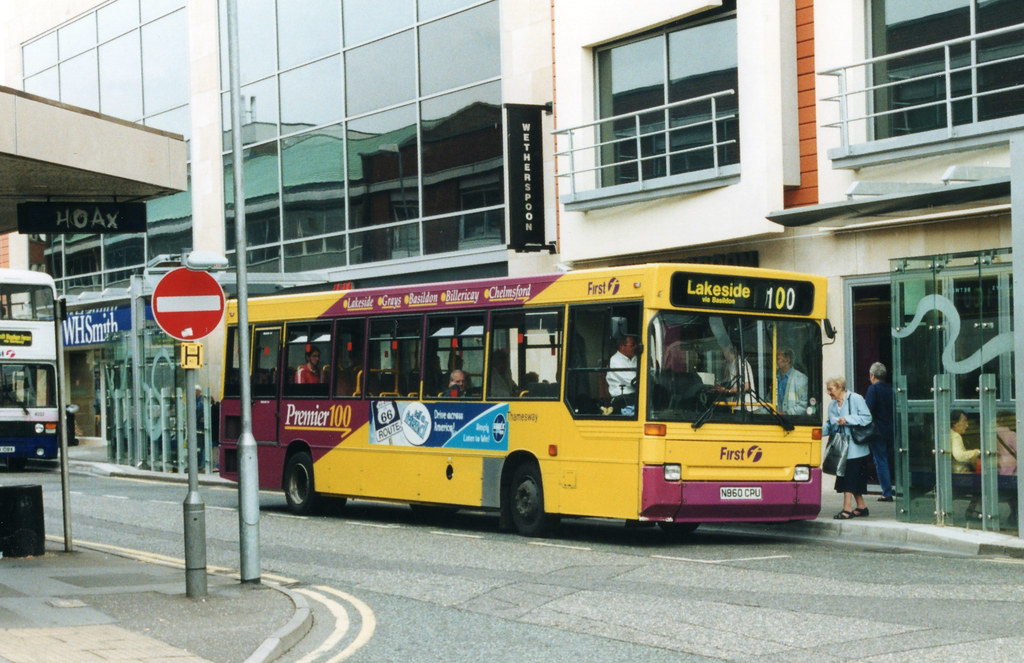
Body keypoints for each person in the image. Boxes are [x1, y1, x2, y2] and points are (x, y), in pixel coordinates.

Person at [823, 375, 873, 519]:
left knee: (849, 477)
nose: (829, 393)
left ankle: (847, 509)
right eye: (827, 390)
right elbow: (829, 424)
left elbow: (867, 417)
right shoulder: (832, 405)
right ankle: (862, 507)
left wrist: (848, 419)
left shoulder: (856, 399)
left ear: (840, 387)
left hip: (855, 448)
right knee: (851, 477)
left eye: (831, 389)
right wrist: (818, 431)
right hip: (841, 447)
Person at [865, 362, 895, 502]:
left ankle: (886, 492)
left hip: (878, 430)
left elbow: (868, 409)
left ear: (872, 376)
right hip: (892, 428)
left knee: (880, 460)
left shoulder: (873, 389)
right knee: (891, 459)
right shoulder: (892, 389)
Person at [606, 335, 639, 412]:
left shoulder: (636, 358)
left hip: (635, 395)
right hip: (622, 398)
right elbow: (633, 381)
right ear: (622, 346)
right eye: (632, 345)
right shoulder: (615, 361)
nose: (636, 346)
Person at [775, 347, 808, 415]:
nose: (775, 361)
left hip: (793, 420)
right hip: (775, 419)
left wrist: (787, 413)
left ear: (787, 360)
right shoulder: (775, 378)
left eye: (778, 359)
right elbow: (769, 400)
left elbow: (804, 404)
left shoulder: (801, 379)